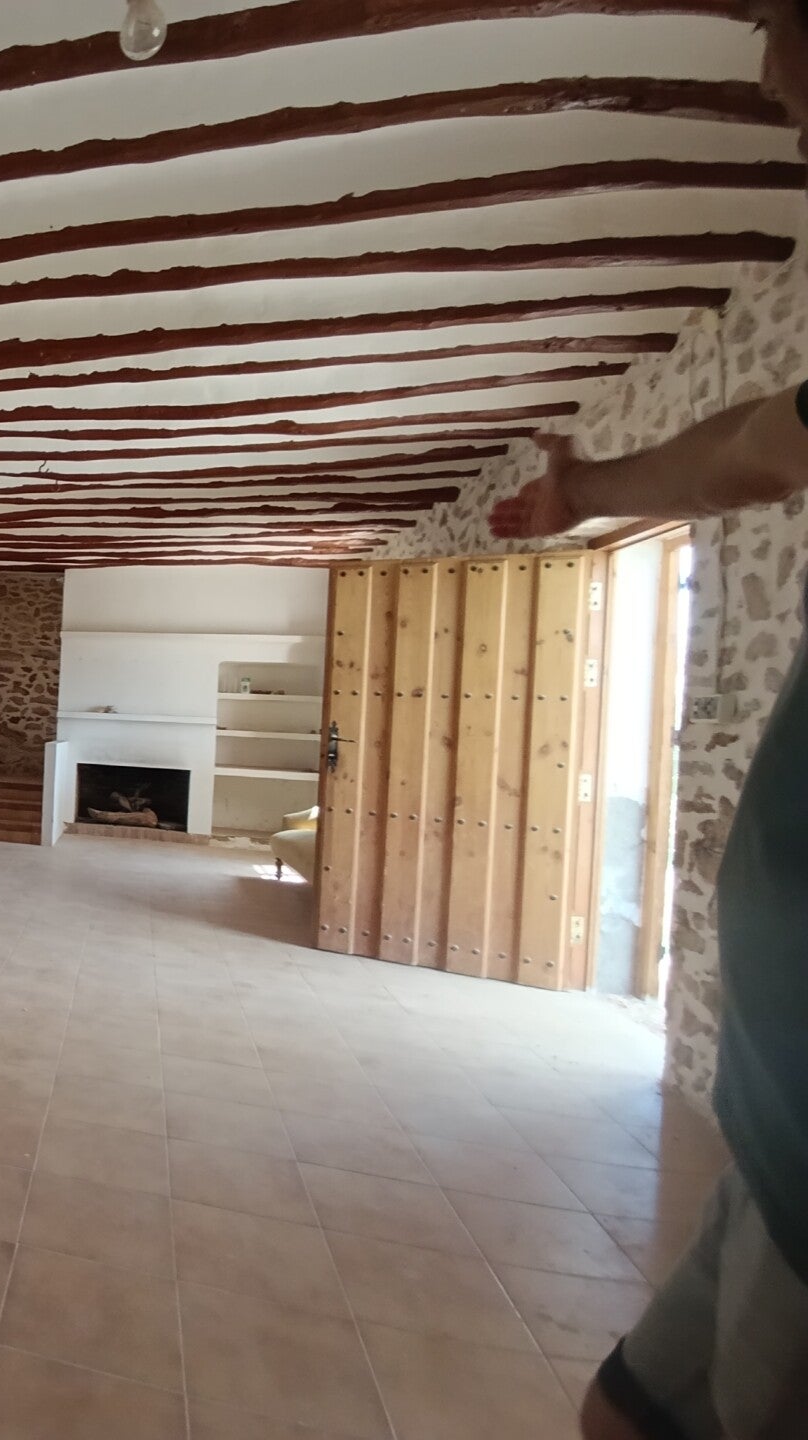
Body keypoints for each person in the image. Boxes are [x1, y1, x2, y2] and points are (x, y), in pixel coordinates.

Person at [488, 9, 808, 1433]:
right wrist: (591, 492)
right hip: (777, 1145)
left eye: (784, 45)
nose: (771, 83)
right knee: (619, 1412)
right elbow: (753, 447)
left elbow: (750, 453)